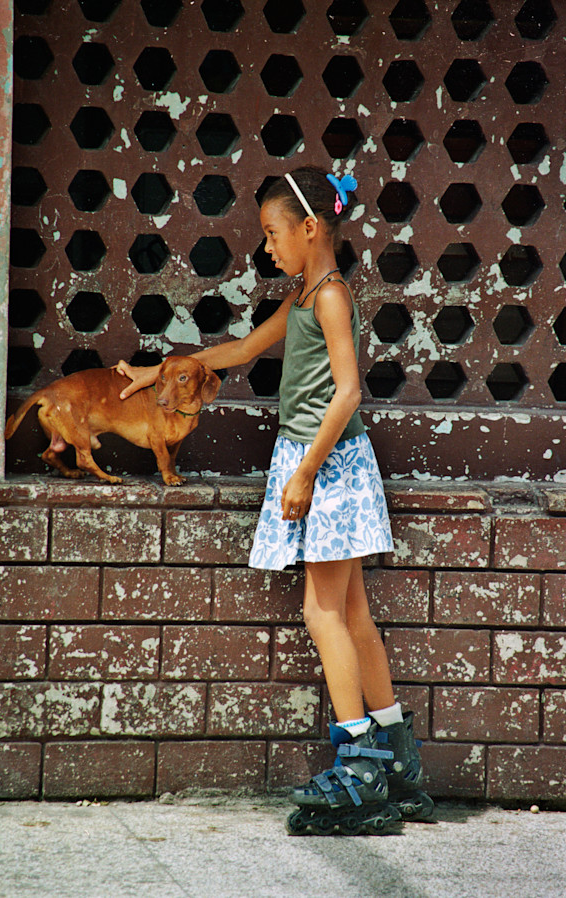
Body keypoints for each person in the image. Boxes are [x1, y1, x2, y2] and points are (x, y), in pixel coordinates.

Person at [117, 166, 433, 835]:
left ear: (311, 228)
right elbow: (240, 348)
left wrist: (305, 474)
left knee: (323, 613)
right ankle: (399, 768)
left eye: (271, 233)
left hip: (328, 466)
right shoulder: (304, 294)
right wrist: (159, 370)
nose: (265, 247)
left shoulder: (330, 298)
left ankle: (359, 767)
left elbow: (347, 392)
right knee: (352, 614)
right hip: (327, 465)